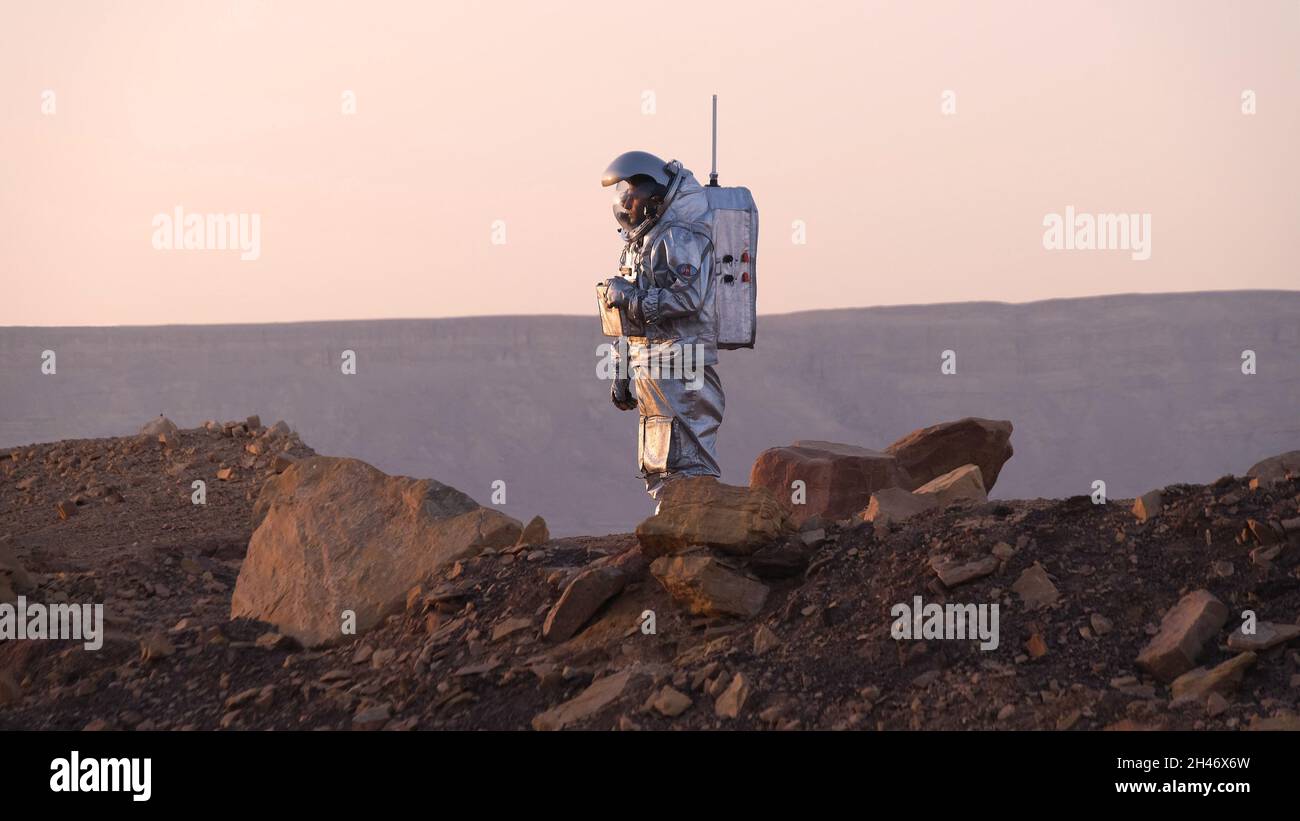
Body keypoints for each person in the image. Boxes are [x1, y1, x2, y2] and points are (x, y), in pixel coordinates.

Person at [600, 150, 725, 504]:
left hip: (682, 367)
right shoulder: (644, 241)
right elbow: (631, 320)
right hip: (654, 367)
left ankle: (697, 533)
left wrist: (629, 298)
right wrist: (621, 368)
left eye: (632, 193)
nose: (626, 202)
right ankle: (673, 529)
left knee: (686, 463)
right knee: (660, 462)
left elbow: (688, 300)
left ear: (655, 197)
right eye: (624, 194)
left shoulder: (680, 235)